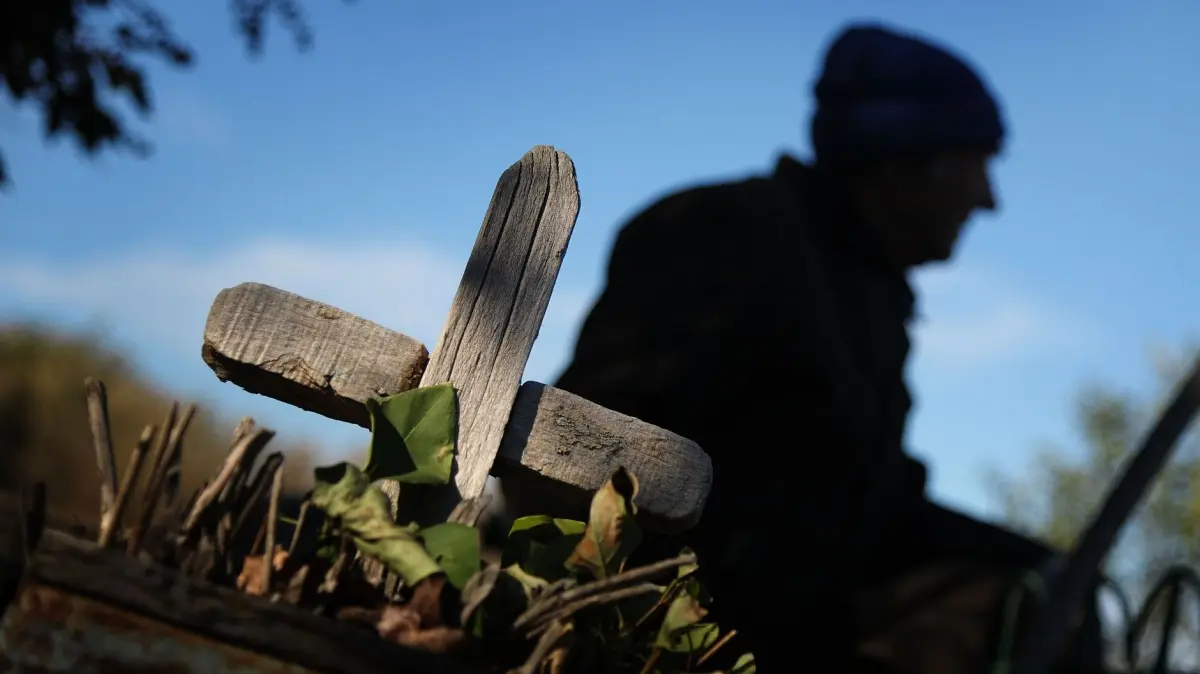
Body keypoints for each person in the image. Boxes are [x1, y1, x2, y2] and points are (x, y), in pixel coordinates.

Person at [551, 22, 1106, 674]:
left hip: (798, 628)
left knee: (1031, 593)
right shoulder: (729, 235)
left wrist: (1040, 567)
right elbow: (589, 445)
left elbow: (873, 505)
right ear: (906, 157)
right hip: (688, 634)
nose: (987, 199)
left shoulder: (867, 297)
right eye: (974, 164)